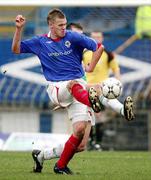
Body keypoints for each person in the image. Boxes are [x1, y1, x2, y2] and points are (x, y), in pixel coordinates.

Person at [12, 9, 104, 175]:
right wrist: (19, 29)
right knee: (73, 85)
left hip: (79, 88)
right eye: (60, 25)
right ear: (51, 25)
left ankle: (55, 163)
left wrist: (90, 67)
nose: (64, 28)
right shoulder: (40, 42)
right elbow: (16, 49)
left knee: (80, 137)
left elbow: (99, 47)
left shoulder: (72, 37)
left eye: (65, 24)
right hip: (57, 87)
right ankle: (92, 101)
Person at [83, 31, 121, 149]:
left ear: (102, 38)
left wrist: (117, 84)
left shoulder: (109, 55)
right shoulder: (84, 54)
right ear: (90, 38)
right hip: (88, 89)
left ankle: (97, 142)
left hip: (102, 90)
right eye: (94, 37)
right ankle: (89, 141)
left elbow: (116, 70)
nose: (96, 39)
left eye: (98, 37)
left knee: (99, 117)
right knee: (88, 117)